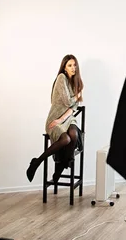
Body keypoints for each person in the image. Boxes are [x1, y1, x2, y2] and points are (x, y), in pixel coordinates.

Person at [26, 54, 84, 183]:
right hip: (54, 119)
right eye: (70, 65)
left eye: (74, 65)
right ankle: (37, 162)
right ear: (64, 68)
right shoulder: (61, 78)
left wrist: (63, 118)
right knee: (66, 139)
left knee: (74, 134)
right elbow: (68, 101)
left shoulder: (75, 83)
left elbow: (73, 108)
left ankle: (59, 170)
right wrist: (78, 95)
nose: (73, 68)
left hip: (68, 119)